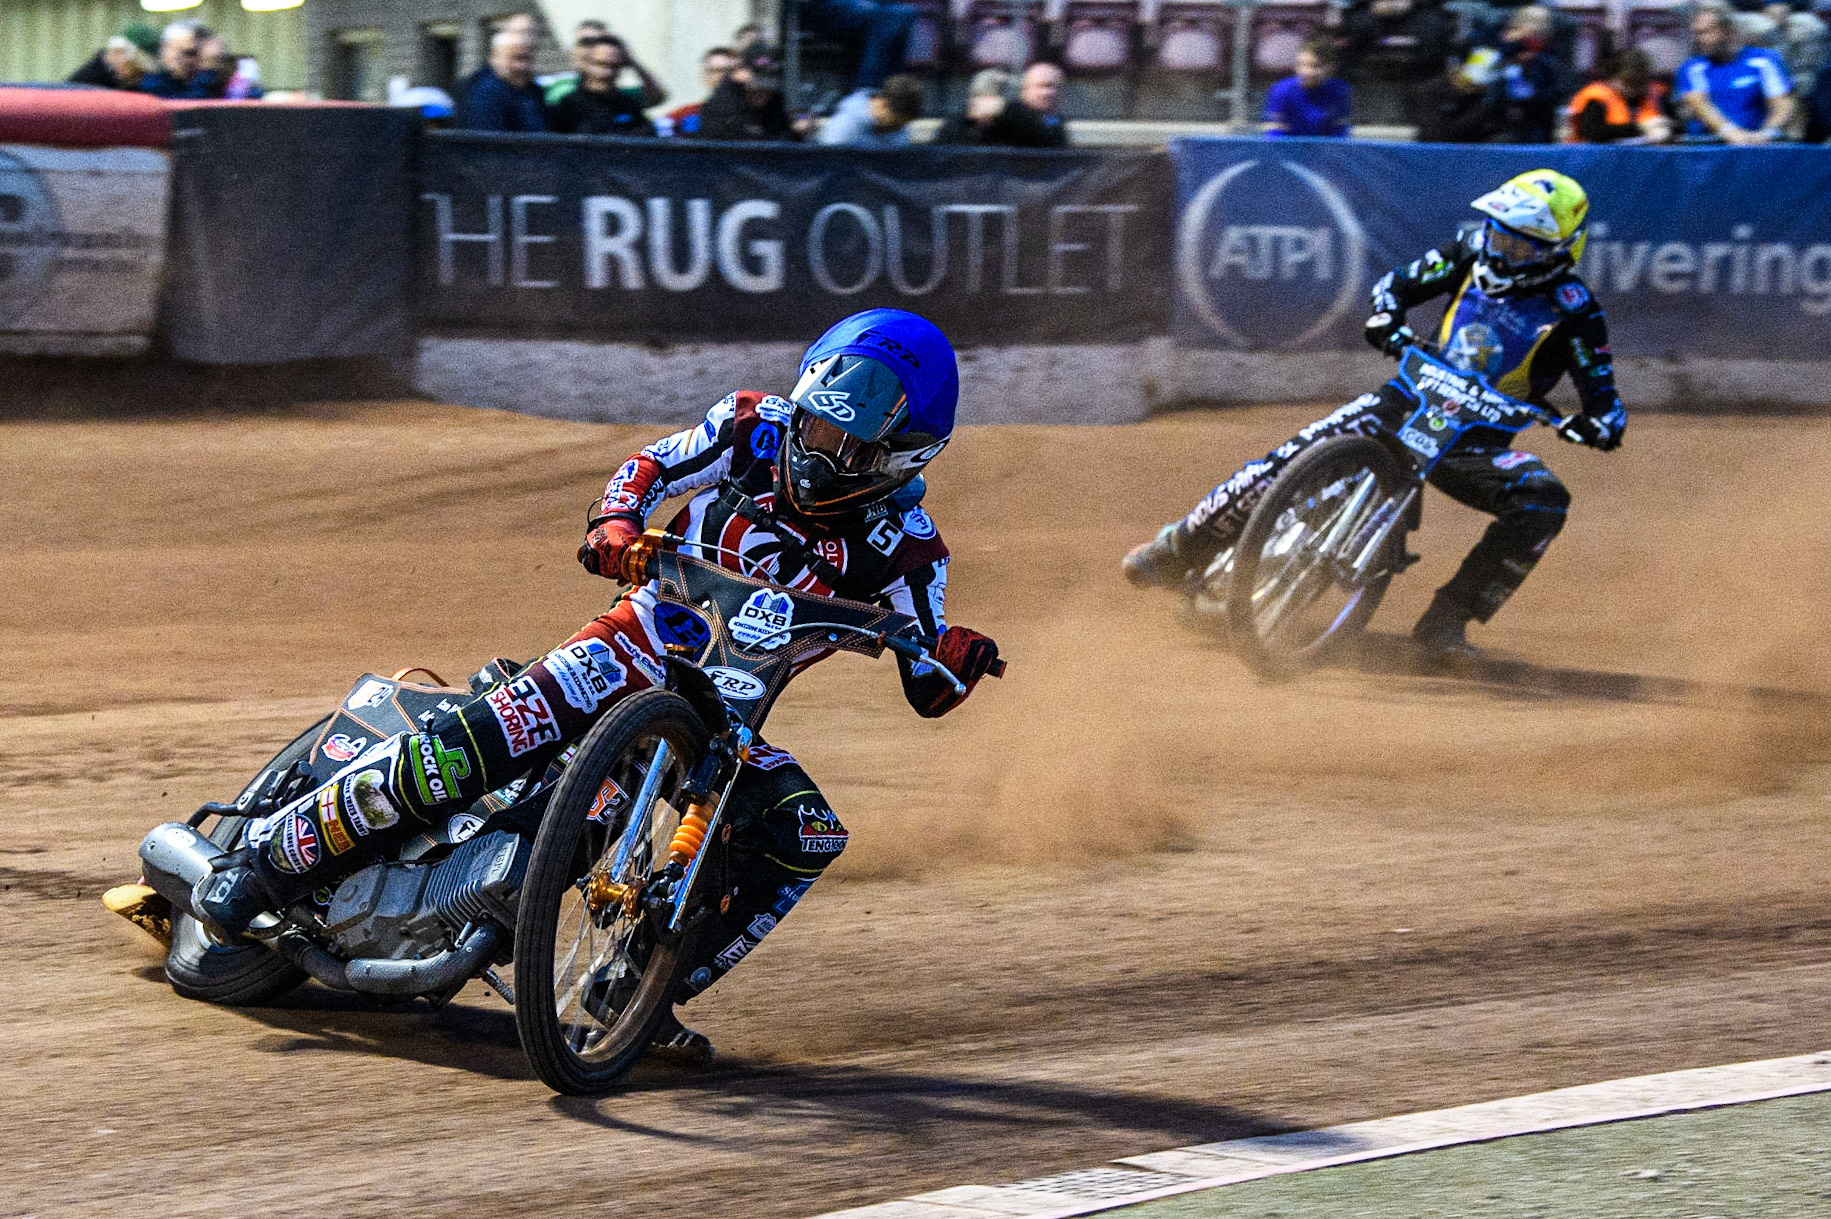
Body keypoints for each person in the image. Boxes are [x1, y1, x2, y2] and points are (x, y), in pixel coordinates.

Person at [189, 308, 1001, 1059]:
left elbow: (929, 679)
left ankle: (636, 991)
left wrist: (954, 657)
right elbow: (650, 465)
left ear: (907, 458)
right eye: (820, 424)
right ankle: (264, 865)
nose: (821, 453)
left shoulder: (911, 553)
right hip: (631, 641)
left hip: (728, 720)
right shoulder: (755, 425)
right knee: (482, 739)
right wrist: (613, 522)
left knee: (806, 834)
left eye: (852, 448)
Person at [1123, 171, 1627, 661]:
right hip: (1402, 402)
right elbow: (1395, 286)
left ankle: (1448, 619)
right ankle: (1179, 549)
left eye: (1520, 246)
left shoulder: (1577, 315)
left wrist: (1596, 426)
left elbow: (1606, 405)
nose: (1500, 250)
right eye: (1497, 234)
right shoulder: (1467, 254)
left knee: (1544, 502)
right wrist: (1387, 317)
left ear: (1561, 252)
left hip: (1474, 444)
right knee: (1286, 460)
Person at [1679, 5, 1795, 142]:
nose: (1699, 39)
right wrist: (1729, 131)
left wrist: (1766, 133)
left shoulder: (1763, 60)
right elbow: (1698, 103)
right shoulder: (1693, 67)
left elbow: (1783, 103)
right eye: (1697, 33)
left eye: (1706, 33)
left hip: (1757, 141)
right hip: (1708, 143)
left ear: (1727, 31)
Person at [546, 36, 663, 136]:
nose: (608, 72)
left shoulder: (627, 103)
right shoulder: (570, 105)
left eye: (614, 66)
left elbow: (657, 98)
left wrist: (633, 63)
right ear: (587, 64)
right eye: (601, 64)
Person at [934, 62, 1067, 148]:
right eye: (1042, 86)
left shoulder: (1049, 120)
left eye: (1056, 87)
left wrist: (1003, 110)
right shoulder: (959, 121)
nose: (1050, 93)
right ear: (1024, 89)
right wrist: (974, 121)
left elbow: (1048, 133)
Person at [801, 0, 918, 90]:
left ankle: (894, 94)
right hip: (813, 8)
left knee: (904, 13)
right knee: (886, 18)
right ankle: (868, 94)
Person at [695, 44, 801, 141]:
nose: (762, 92)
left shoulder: (774, 102)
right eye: (754, 86)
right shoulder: (723, 103)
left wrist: (796, 132)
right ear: (739, 74)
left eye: (768, 85)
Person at [1564, 48, 1671, 143]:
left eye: (1640, 83)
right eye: (1628, 82)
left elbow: (1675, 124)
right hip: (1596, 158)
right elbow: (1594, 132)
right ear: (1612, 77)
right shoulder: (1596, 98)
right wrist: (1640, 128)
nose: (1633, 89)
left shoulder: (1655, 96)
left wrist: (1666, 128)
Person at [1489, 5, 1562, 142]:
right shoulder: (1501, 53)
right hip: (1503, 128)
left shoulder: (1543, 60)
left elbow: (1550, 93)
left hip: (1532, 128)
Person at [456, 29, 548, 133]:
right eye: (516, 58)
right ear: (495, 57)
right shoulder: (485, 96)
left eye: (528, 59)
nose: (522, 67)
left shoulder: (534, 92)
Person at [1262, 40, 1354, 137]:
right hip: (1288, 148)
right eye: (1302, 65)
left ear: (1330, 67)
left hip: (1325, 148)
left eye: (1315, 66)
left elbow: (1340, 130)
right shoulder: (1281, 91)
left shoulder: (1339, 90)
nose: (1306, 71)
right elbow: (1273, 132)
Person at [817, 74, 925, 146]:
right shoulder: (845, 125)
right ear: (883, 104)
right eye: (895, 123)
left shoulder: (900, 126)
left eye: (902, 124)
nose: (897, 129)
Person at [666, 46, 738, 136]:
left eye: (727, 71)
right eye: (713, 71)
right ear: (704, 77)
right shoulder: (687, 114)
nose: (721, 76)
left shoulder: (754, 116)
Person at [140, 22, 223, 100]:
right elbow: (189, 108)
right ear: (166, 51)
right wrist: (208, 68)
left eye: (197, 53)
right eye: (189, 53)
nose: (192, 60)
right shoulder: (152, 84)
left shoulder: (212, 80)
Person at [68, 35, 155, 90]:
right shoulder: (94, 78)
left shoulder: (153, 89)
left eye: (119, 52)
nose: (110, 59)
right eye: (111, 52)